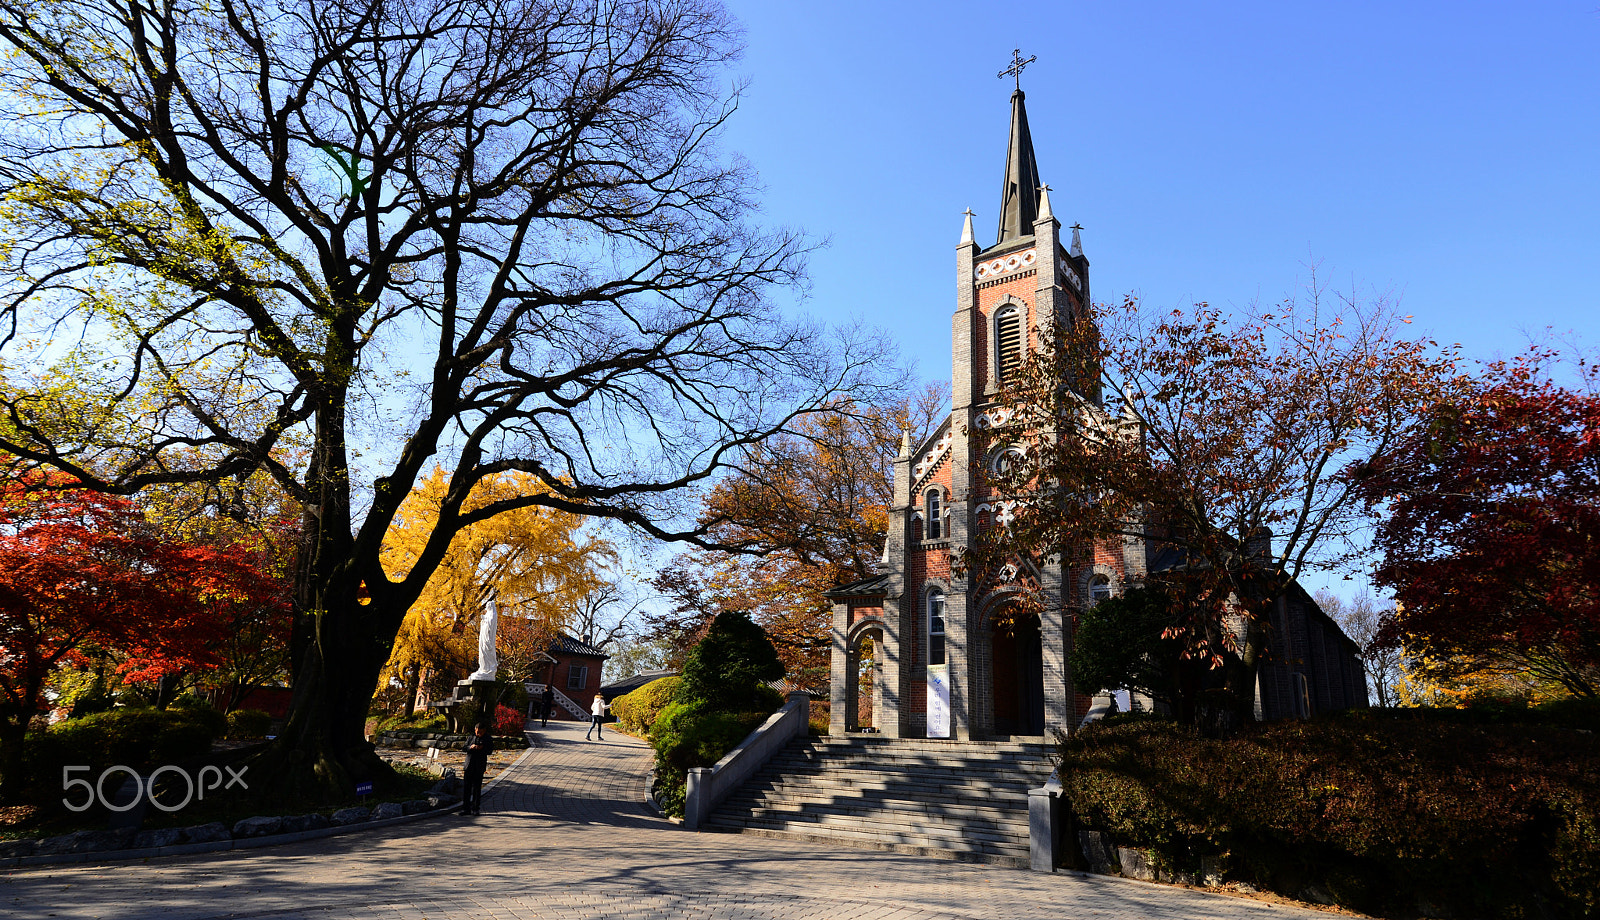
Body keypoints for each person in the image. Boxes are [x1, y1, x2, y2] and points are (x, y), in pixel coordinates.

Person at [462, 722, 493, 815]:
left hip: (479, 766)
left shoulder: (488, 738)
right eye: (476, 731)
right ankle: (466, 808)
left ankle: (475, 808)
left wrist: (481, 748)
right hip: (469, 765)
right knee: (467, 788)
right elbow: (464, 748)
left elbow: (489, 751)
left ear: (484, 731)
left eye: (480, 732)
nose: (478, 733)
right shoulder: (471, 737)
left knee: (476, 788)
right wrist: (470, 747)